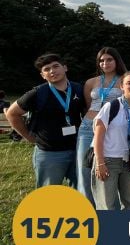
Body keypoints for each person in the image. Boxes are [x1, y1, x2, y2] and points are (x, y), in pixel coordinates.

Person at [6, 54, 86, 187]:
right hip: (49, 153)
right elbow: (12, 114)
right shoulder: (38, 93)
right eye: (47, 69)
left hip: (77, 149)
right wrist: (28, 137)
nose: (52, 71)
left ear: (65, 68)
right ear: (43, 75)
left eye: (56, 66)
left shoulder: (79, 89)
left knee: (82, 193)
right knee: (49, 196)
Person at [91, 71, 130, 245]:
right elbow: (98, 136)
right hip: (109, 160)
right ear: (122, 86)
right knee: (107, 202)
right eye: (129, 83)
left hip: (129, 161)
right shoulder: (111, 106)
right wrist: (100, 162)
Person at [76, 47, 128, 205]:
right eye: (102, 60)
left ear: (116, 61)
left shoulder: (125, 80)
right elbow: (88, 104)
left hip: (113, 130)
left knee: (111, 170)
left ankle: (110, 209)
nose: (105, 63)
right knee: (85, 169)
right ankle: (87, 209)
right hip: (88, 127)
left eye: (109, 59)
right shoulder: (91, 82)